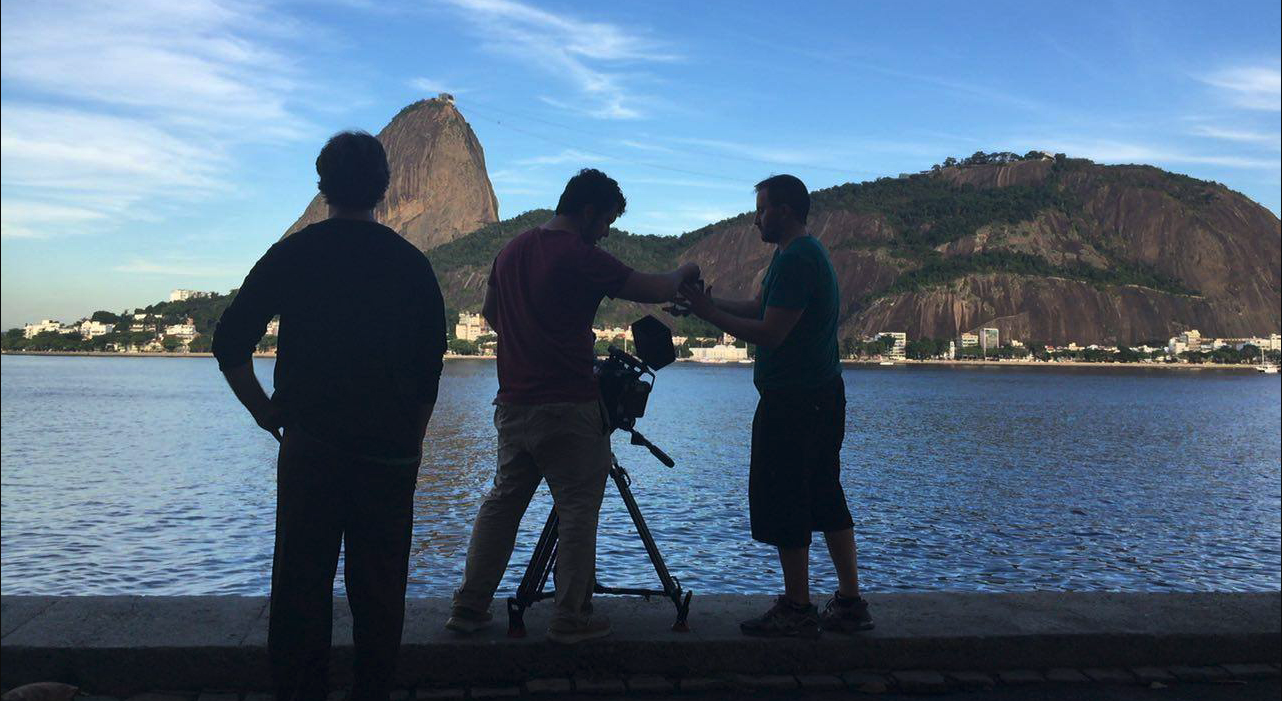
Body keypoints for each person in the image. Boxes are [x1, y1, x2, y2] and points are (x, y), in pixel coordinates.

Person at [212, 131, 446, 700]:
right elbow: (428, 368)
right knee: (380, 592)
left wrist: (265, 413)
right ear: (385, 188)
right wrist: (411, 438)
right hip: (389, 452)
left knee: (299, 588)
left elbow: (229, 342)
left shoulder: (296, 252)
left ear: (322, 187)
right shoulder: (412, 265)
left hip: (311, 447)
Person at [446, 168, 700, 643]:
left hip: (513, 404)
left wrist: (529, 340)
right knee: (579, 508)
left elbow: (489, 313)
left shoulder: (511, 250)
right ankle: (570, 616)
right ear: (587, 212)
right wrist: (686, 271)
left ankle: (468, 606)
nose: (605, 233)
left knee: (502, 504)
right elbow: (655, 288)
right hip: (569, 406)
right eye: (605, 221)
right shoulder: (581, 256)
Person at [674, 174, 873, 638]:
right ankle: (849, 602)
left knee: (787, 497)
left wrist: (707, 315)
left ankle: (797, 608)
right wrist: (706, 304)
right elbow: (757, 308)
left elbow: (770, 333)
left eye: (761, 209)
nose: (755, 219)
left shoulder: (798, 259)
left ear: (783, 211)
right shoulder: (793, 255)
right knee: (825, 492)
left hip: (797, 401)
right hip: (819, 396)